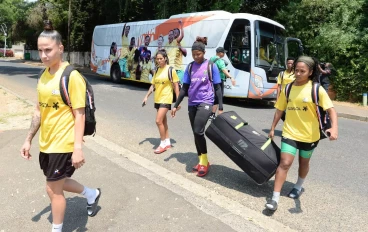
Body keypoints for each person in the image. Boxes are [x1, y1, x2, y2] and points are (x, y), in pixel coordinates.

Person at [20, 21, 101, 232]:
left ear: (60, 48)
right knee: (58, 181)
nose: (44, 55)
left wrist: (77, 148)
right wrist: (28, 139)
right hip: (46, 142)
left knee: (52, 189)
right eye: (40, 50)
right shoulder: (42, 76)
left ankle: (57, 230)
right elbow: (38, 110)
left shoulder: (71, 76)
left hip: (63, 143)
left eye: (48, 49)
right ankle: (91, 194)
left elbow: (80, 114)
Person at [266, 56, 338, 211]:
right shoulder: (288, 88)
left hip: (310, 136)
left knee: (303, 163)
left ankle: (298, 187)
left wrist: (334, 129)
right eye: (296, 70)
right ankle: (274, 199)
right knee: (284, 163)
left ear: (310, 72)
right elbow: (279, 109)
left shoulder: (316, 89)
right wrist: (273, 127)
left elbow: (331, 110)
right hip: (290, 133)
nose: (298, 74)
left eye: (302, 71)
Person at [171, 37, 224, 177]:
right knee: (195, 133)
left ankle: (205, 161)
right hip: (192, 103)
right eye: (194, 54)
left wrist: (220, 107)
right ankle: (201, 160)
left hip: (206, 102)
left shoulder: (210, 66)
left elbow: (218, 88)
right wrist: (176, 105)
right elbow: (184, 88)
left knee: (198, 130)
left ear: (204, 53)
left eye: (198, 54)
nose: (196, 57)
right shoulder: (189, 67)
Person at [142, 49, 180, 154]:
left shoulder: (170, 70)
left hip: (166, 98)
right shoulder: (157, 70)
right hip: (157, 99)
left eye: (161, 59)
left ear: (165, 59)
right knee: (163, 121)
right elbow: (153, 85)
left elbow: (176, 86)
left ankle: (162, 143)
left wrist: (177, 102)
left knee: (158, 121)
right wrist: (146, 96)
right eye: (157, 59)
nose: (159, 60)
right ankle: (167, 141)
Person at [209, 47, 236, 121]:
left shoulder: (212, 59)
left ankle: (212, 114)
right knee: (220, 98)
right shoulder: (220, 60)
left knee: (216, 98)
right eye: (223, 52)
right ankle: (219, 118)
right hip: (219, 80)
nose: (224, 54)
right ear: (220, 53)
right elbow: (224, 70)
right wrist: (231, 77)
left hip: (213, 80)